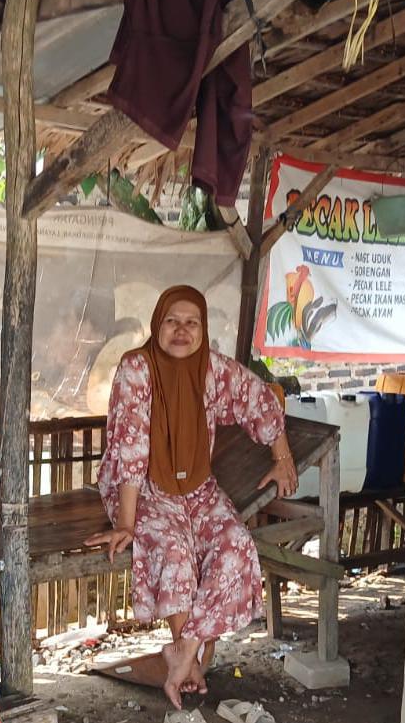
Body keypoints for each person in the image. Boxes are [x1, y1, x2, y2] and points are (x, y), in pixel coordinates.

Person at [84, 285, 297, 709]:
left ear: (203, 329)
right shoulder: (136, 368)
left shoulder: (212, 368)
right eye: (172, 321)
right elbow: (130, 450)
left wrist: (283, 457)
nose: (181, 331)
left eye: (191, 322)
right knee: (175, 550)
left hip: (197, 487)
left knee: (236, 545)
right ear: (157, 324)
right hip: (141, 486)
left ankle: (186, 651)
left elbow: (259, 398)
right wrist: (126, 523)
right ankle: (188, 655)